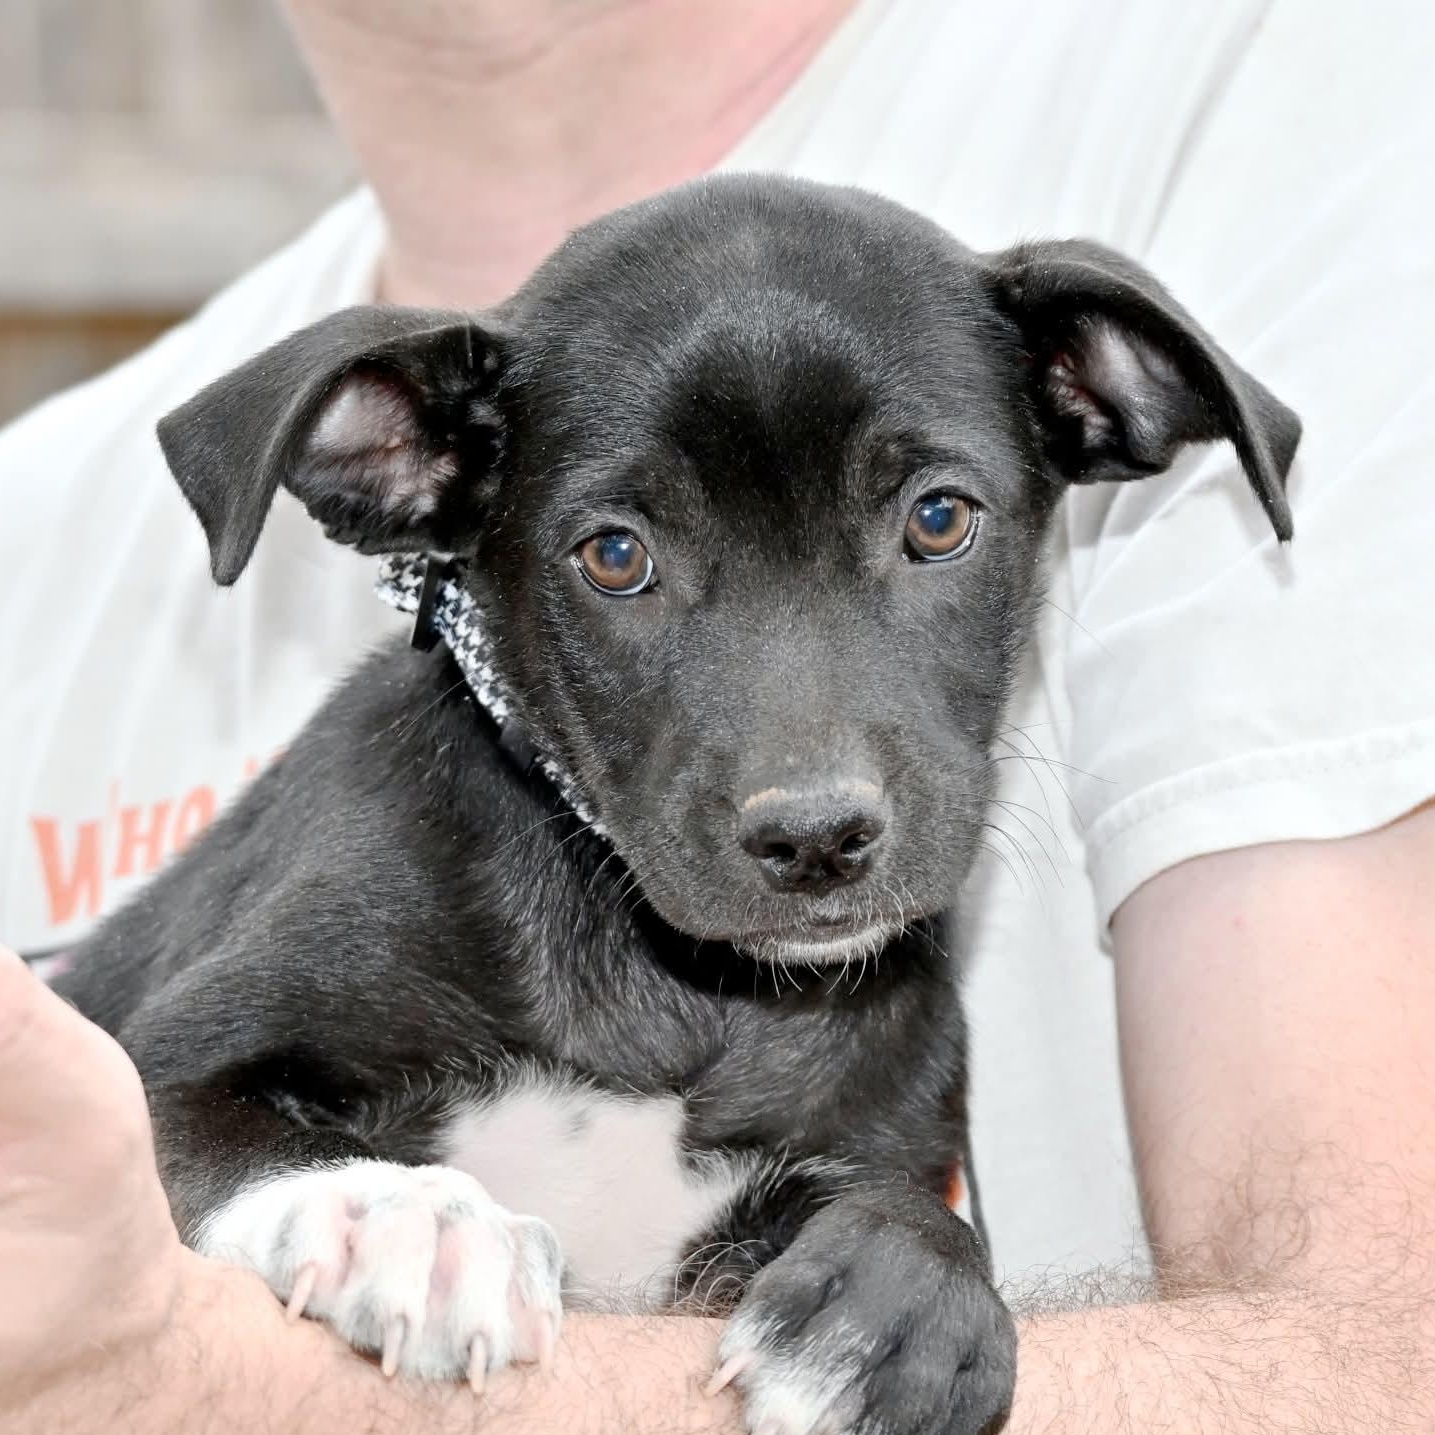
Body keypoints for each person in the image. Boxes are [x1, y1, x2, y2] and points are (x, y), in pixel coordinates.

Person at [2, 0, 1433, 1428]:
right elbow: (162, 1116)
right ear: (412, 471)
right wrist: (307, 1203)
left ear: (1093, 398)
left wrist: (909, 1269)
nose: (812, 788)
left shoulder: (1276, 94)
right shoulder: (116, 599)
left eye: (932, 520)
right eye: (622, 556)